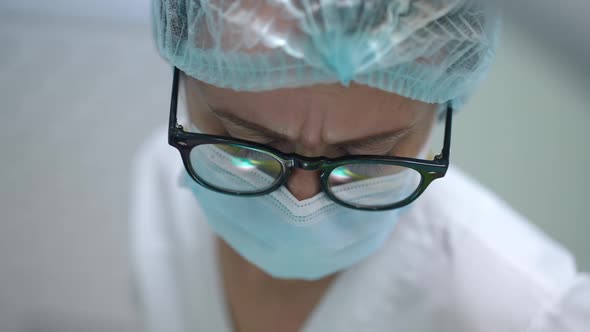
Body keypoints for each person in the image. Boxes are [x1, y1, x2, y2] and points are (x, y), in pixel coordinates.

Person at [131, 1, 590, 331]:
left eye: (365, 156)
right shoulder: (160, 193)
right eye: (245, 142)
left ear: (442, 107)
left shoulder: (524, 310)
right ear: (183, 74)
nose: (302, 203)